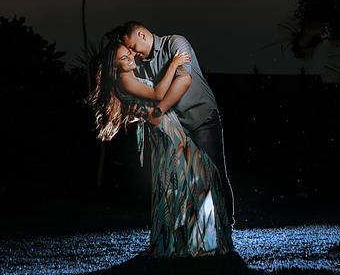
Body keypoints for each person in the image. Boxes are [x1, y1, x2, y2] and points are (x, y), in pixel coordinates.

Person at [88, 39, 233, 257]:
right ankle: (189, 241)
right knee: (188, 180)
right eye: (123, 58)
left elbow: (141, 104)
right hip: (166, 131)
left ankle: (193, 239)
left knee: (184, 182)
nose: (130, 58)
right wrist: (174, 65)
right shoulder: (124, 81)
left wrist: (139, 112)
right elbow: (157, 94)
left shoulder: (129, 77)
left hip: (167, 128)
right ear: (115, 65)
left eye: (129, 53)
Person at [120, 21, 235, 228]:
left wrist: (158, 112)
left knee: (215, 174)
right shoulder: (140, 65)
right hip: (174, 129)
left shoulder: (175, 43)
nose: (133, 53)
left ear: (142, 35)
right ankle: (197, 230)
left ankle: (226, 226)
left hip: (201, 119)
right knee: (187, 181)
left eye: (132, 47)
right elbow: (145, 93)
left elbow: (184, 81)